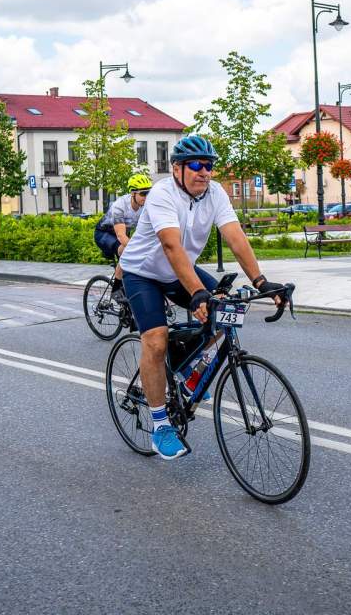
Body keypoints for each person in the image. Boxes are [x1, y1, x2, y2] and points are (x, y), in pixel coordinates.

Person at [119, 135, 285, 460]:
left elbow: (236, 237)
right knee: (155, 340)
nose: (204, 172)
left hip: (179, 270)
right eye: (196, 165)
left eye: (208, 165)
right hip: (143, 273)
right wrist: (196, 292)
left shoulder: (215, 193)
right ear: (177, 168)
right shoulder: (163, 195)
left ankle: (185, 371)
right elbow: (171, 246)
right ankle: (160, 426)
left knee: (224, 310)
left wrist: (262, 282)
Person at [93, 173, 153, 298]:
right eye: (143, 194)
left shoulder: (146, 206)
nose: (146, 197)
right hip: (105, 234)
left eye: (149, 193)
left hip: (123, 233)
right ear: (133, 193)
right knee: (127, 251)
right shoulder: (119, 206)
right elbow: (121, 236)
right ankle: (116, 289)